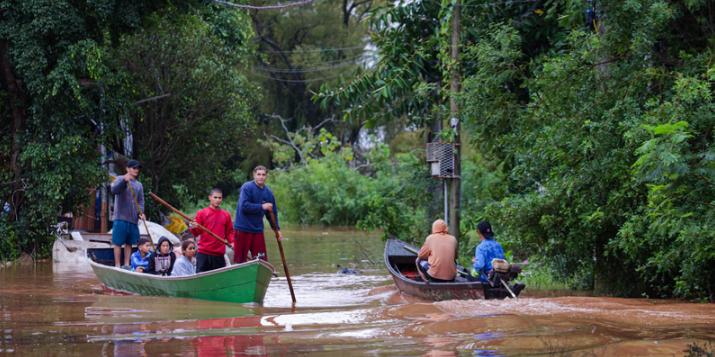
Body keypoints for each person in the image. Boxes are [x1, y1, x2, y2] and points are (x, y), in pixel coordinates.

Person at [233, 166, 281, 263]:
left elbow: (272, 214)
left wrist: (277, 230)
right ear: (254, 175)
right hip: (243, 228)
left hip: (257, 230)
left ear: (266, 176)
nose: (261, 177)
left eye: (263, 175)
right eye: (258, 174)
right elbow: (244, 206)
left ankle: (258, 277)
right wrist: (262, 206)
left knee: (261, 260)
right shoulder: (247, 187)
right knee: (240, 261)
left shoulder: (269, 193)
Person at [110, 159, 145, 268]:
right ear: (127, 169)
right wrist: (124, 181)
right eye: (134, 168)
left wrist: (141, 213)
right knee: (117, 242)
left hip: (133, 219)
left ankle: (126, 264)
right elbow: (114, 190)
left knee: (129, 242)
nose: (136, 170)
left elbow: (141, 201)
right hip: (120, 217)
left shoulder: (139, 185)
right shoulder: (120, 179)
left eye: (137, 168)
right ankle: (117, 265)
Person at [190, 188, 234, 273]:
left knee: (219, 279)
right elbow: (196, 233)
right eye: (215, 197)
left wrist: (232, 242)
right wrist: (193, 226)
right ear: (210, 197)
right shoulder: (202, 213)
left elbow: (229, 232)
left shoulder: (226, 215)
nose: (217, 200)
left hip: (219, 254)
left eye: (220, 198)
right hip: (204, 253)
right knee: (201, 278)